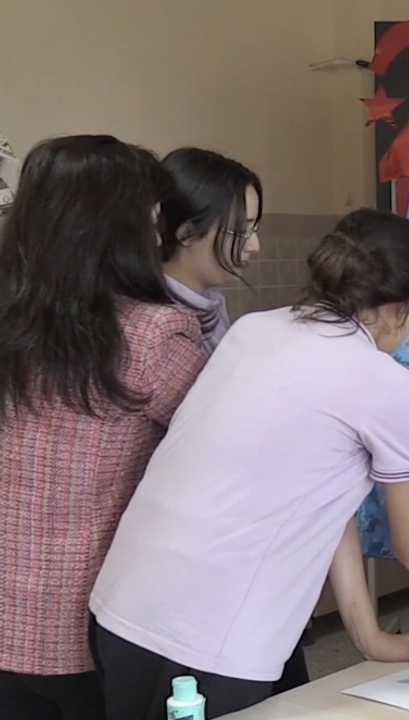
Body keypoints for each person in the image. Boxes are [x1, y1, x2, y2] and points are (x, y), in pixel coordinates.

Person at [88, 208, 409, 719]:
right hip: (210, 640)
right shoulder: (389, 385)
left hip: (122, 607)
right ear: (401, 308)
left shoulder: (255, 330)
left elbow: (326, 504)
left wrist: (368, 635)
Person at [0, 135, 208, 720]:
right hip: (88, 622)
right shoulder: (152, 334)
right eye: (151, 211)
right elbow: (222, 450)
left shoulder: (11, 324)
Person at [158, 147, 264, 352]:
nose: (255, 246)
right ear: (187, 233)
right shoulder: (162, 331)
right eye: (242, 230)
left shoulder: (208, 303)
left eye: (254, 229)